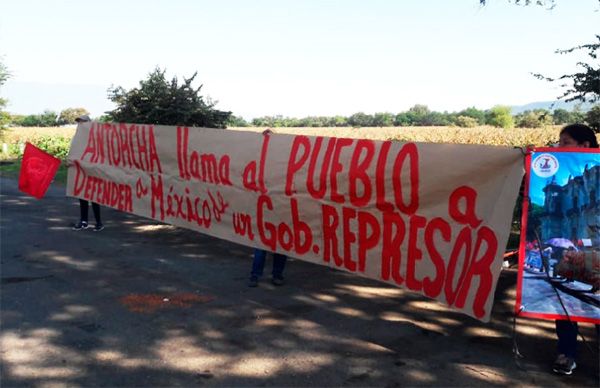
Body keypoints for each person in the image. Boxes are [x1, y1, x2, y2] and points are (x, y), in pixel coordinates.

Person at [551, 123, 599, 375]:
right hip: (575, 248)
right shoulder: (569, 179)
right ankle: (566, 353)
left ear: (585, 146)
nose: (559, 148)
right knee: (567, 303)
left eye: (565, 142)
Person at [71, 114, 104, 232]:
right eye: (79, 122)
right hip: (80, 171)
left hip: (92, 170)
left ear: (88, 123)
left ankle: (99, 222)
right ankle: (83, 221)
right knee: (82, 197)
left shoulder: (95, 136)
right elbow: (73, 152)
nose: (80, 124)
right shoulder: (76, 137)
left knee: (94, 197)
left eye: (83, 122)